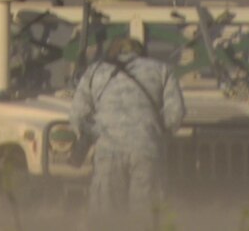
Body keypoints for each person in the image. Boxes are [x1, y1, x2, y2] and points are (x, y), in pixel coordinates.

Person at [71, 35, 186, 221]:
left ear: (112, 52)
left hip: (107, 151)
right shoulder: (161, 70)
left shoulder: (94, 72)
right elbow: (176, 113)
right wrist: (157, 135)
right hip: (147, 149)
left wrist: (89, 135)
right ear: (141, 53)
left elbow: (78, 116)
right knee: (146, 214)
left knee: (106, 217)